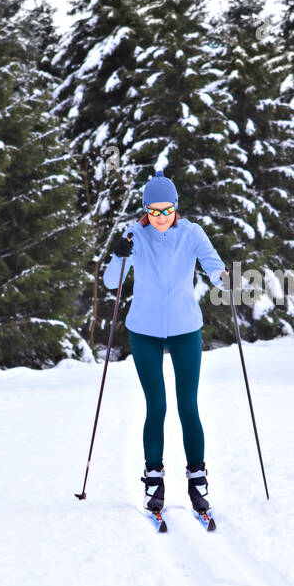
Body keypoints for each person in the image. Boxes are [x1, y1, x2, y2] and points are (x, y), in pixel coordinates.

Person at [103, 170, 228, 518]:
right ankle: (154, 479)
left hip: (185, 328)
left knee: (188, 405)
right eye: (154, 211)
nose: (161, 217)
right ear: (145, 210)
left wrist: (225, 280)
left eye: (167, 210)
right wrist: (117, 254)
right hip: (143, 329)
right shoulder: (135, 235)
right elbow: (112, 283)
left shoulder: (192, 233)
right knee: (156, 405)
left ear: (176, 207)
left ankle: (197, 478)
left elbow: (214, 266)